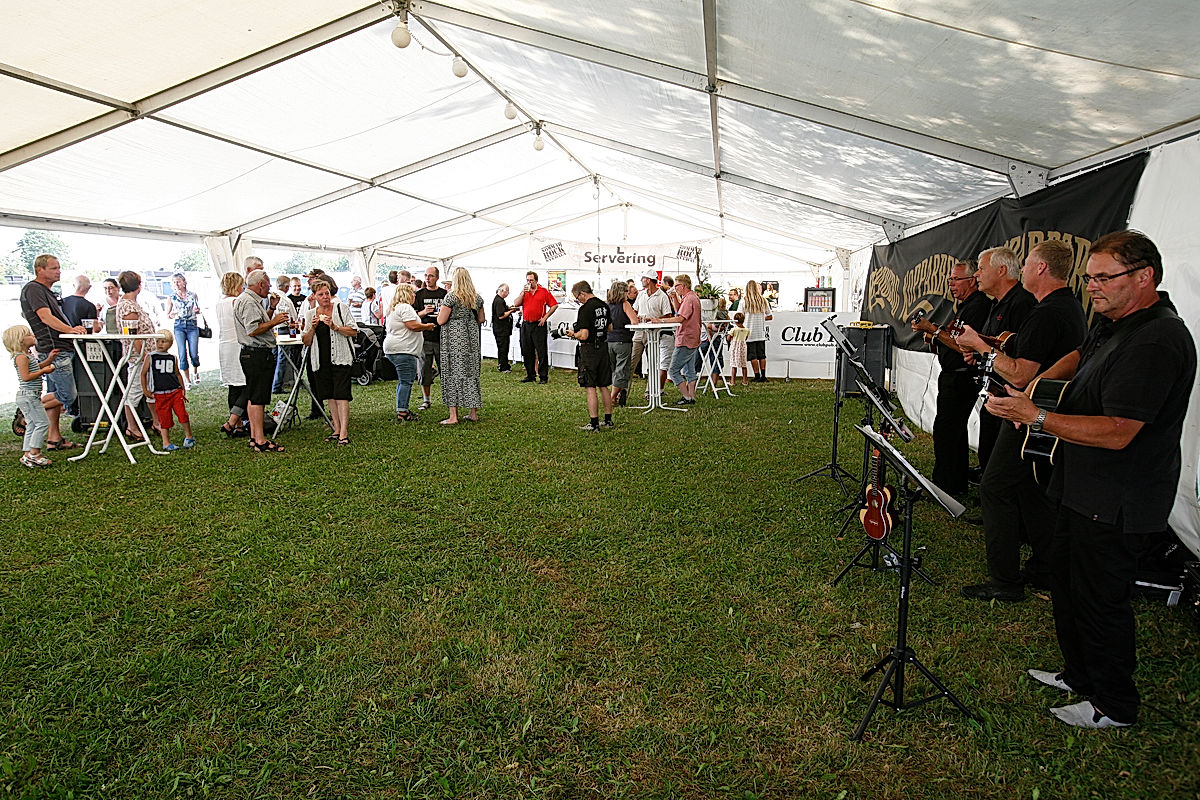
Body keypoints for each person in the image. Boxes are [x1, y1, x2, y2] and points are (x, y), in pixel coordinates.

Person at [986, 230, 1196, 729]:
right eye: (1089, 277)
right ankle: (1080, 674)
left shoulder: (1157, 339)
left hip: (1118, 496)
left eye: (1104, 277)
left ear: (1144, 277)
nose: (1093, 287)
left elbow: (1120, 432)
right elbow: (1080, 355)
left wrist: (1037, 416)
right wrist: (1037, 386)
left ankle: (1114, 705)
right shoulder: (1115, 320)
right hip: (1081, 484)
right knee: (1067, 583)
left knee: (1101, 600)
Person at [957, 240, 1088, 601]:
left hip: (1030, 414)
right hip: (1041, 409)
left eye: (1028, 262)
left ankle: (1005, 582)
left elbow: (1019, 374)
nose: (1023, 268)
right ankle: (1047, 566)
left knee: (995, 487)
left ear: (1041, 268)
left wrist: (981, 347)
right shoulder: (1067, 307)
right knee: (1030, 488)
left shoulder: (1047, 313)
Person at [910, 259, 990, 497]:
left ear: (972, 280)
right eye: (950, 280)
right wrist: (934, 335)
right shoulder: (965, 306)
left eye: (956, 279)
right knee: (950, 430)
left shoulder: (978, 306)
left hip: (962, 377)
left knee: (948, 430)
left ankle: (948, 485)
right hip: (953, 376)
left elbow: (963, 345)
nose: (951, 284)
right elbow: (952, 338)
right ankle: (952, 480)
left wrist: (933, 330)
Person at [967, 247, 1036, 472]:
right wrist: (975, 352)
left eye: (981, 269)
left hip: (1012, 401)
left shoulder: (1023, 304)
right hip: (994, 394)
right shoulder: (996, 303)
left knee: (1000, 465)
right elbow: (997, 345)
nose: (976, 274)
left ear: (1001, 270)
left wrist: (978, 344)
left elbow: (1021, 356)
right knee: (988, 454)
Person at [20, 253, 84, 449]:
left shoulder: (46, 290)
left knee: (56, 392)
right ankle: (25, 412)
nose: (58, 271)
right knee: (67, 395)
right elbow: (45, 317)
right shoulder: (34, 289)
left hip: (56, 348)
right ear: (39, 270)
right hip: (54, 347)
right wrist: (70, 330)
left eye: (59, 268)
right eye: (54, 268)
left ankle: (53, 438)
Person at [234, 269, 289, 452]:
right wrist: (275, 321)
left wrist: (271, 309)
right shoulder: (249, 302)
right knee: (258, 398)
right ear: (260, 284)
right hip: (256, 354)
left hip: (252, 353)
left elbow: (257, 323)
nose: (270, 288)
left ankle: (254, 436)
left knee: (253, 396)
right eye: (268, 284)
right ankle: (260, 439)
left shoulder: (247, 299)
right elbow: (253, 329)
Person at [301, 279, 357, 445]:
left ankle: (344, 432)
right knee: (330, 395)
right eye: (321, 294)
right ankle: (336, 428)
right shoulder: (310, 314)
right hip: (321, 360)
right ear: (314, 296)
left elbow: (353, 331)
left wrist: (335, 327)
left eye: (327, 293)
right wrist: (312, 327)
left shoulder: (341, 308)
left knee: (341, 395)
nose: (325, 297)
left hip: (341, 358)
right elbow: (306, 341)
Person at [5, 325, 62, 468]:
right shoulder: (21, 357)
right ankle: (35, 454)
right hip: (29, 396)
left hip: (31, 395)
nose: (33, 336)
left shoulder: (27, 356)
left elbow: (36, 367)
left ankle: (27, 454)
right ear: (21, 340)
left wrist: (49, 360)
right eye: (29, 334)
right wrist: (44, 371)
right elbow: (26, 376)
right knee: (42, 423)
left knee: (31, 424)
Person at [436, 267, 485, 425]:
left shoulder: (451, 297)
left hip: (454, 340)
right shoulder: (477, 298)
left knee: (452, 373)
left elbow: (441, 320)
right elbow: (481, 319)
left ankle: (453, 416)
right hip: (471, 338)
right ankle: (473, 413)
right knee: (471, 373)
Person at [565, 280, 613, 431]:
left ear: (582, 294)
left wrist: (573, 334)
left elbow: (584, 334)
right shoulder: (604, 306)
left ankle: (594, 423)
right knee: (603, 385)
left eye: (577, 297)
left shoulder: (585, 309)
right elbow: (610, 327)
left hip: (589, 349)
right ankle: (608, 420)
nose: (578, 301)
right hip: (603, 347)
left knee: (590, 386)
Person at [115, 270, 158, 441]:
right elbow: (134, 335)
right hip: (138, 356)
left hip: (144, 354)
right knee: (134, 390)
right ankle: (131, 427)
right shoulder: (129, 307)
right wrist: (144, 355)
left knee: (149, 387)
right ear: (138, 285)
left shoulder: (130, 303)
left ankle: (156, 422)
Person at [383, 283, 433, 422]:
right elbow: (412, 325)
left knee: (403, 381)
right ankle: (403, 411)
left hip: (394, 348)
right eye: (412, 293)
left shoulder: (394, 308)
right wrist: (427, 326)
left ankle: (401, 407)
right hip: (404, 349)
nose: (414, 296)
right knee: (406, 381)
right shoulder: (405, 307)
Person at [140, 329, 195, 451]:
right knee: (164, 418)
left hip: (175, 391)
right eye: (158, 341)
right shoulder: (150, 357)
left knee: (182, 414)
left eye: (163, 341)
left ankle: (189, 436)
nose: (160, 344)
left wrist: (182, 389)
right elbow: (143, 374)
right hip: (159, 393)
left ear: (170, 343)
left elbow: (177, 373)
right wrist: (145, 390)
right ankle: (166, 442)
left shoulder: (172, 358)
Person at [656, 274, 702, 405]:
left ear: (683, 286)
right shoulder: (691, 297)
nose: (675, 288)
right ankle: (691, 396)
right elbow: (680, 311)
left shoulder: (689, 299)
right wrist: (674, 298)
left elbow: (680, 318)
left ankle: (686, 396)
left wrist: (661, 320)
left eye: (676, 286)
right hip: (693, 337)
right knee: (690, 370)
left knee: (673, 370)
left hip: (686, 338)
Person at [215, 272, 250, 438]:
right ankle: (233, 420)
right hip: (237, 344)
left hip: (224, 345)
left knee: (233, 386)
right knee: (246, 384)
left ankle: (238, 424)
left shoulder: (219, 303)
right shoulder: (236, 302)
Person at [510, 270, 558, 383]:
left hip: (538, 324)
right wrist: (522, 293)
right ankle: (530, 375)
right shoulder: (524, 292)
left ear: (536, 280)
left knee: (541, 351)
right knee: (527, 350)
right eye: (527, 280)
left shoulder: (543, 291)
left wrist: (545, 317)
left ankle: (543, 376)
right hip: (526, 324)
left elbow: (554, 305)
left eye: (531, 280)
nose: (529, 282)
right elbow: (516, 303)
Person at [631, 271, 673, 389]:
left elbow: (668, 315)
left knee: (653, 365)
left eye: (643, 278)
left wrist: (654, 319)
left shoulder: (662, 296)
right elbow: (634, 310)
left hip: (654, 333)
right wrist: (636, 318)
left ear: (648, 280)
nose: (641, 280)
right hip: (639, 332)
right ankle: (623, 393)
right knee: (632, 363)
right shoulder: (641, 294)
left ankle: (651, 392)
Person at [414, 265, 448, 409]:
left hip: (442, 337)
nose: (428, 279)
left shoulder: (444, 294)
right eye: (426, 276)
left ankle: (449, 400)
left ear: (437, 278)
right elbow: (413, 316)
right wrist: (424, 312)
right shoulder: (419, 295)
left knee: (446, 369)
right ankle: (426, 400)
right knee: (424, 370)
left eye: (431, 276)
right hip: (425, 338)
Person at [606, 280, 638, 408]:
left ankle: (615, 395)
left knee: (614, 369)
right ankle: (612, 398)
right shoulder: (625, 304)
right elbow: (634, 321)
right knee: (622, 370)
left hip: (608, 340)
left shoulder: (606, 305)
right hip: (623, 340)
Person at [271, 274, 300, 394]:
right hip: (283, 330)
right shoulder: (287, 301)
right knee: (282, 359)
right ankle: (276, 386)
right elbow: (294, 318)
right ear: (287, 287)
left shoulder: (270, 298)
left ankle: (271, 383)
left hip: (272, 330)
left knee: (274, 357)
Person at [742, 280, 773, 381]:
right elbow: (770, 316)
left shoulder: (744, 301)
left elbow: (739, 316)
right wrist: (761, 318)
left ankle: (757, 375)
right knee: (762, 355)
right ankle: (763, 376)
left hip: (749, 332)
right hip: (760, 332)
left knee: (752, 356)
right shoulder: (763, 300)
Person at [491, 283, 515, 372]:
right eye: (507, 291)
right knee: (503, 348)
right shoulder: (499, 301)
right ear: (502, 291)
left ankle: (504, 364)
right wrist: (511, 311)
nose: (508, 293)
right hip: (501, 329)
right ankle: (503, 366)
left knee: (504, 348)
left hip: (502, 329)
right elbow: (501, 316)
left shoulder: (500, 300)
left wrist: (509, 308)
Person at [728, 312, 750, 385]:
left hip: (735, 347)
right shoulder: (747, 330)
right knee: (744, 365)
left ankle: (733, 381)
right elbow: (746, 338)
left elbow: (728, 338)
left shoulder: (734, 329)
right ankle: (745, 381)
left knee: (734, 365)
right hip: (743, 347)